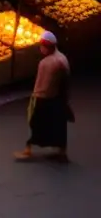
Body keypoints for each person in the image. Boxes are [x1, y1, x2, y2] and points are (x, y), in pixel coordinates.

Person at [16, 31, 72, 163]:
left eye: (42, 46)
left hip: (45, 99)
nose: (41, 49)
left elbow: (41, 85)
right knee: (59, 126)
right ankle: (61, 152)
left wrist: (35, 97)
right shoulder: (62, 58)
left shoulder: (46, 63)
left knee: (36, 123)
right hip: (59, 99)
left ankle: (28, 149)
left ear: (47, 47)